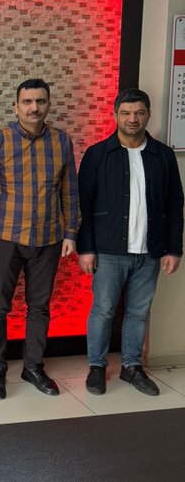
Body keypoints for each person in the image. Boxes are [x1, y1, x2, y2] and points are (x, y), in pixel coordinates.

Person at [78, 88, 183, 396]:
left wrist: (174, 249)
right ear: (115, 116)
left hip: (150, 251)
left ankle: (131, 366)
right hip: (109, 251)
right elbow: (84, 205)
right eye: (125, 113)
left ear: (148, 115)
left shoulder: (163, 155)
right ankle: (96, 366)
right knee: (103, 310)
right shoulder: (98, 154)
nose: (132, 119)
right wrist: (86, 248)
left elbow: (175, 204)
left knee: (139, 311)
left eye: (138, 112)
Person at [0, 78, 80, 399]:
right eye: (27, 102)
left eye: (40, 101)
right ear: (16, 106)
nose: (34, 107)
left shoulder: (62, 141)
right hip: (5, 236)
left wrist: (70, 232)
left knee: (39, 306)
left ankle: (33, 366)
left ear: (48, 105)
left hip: (48, 238)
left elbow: (69, 190)